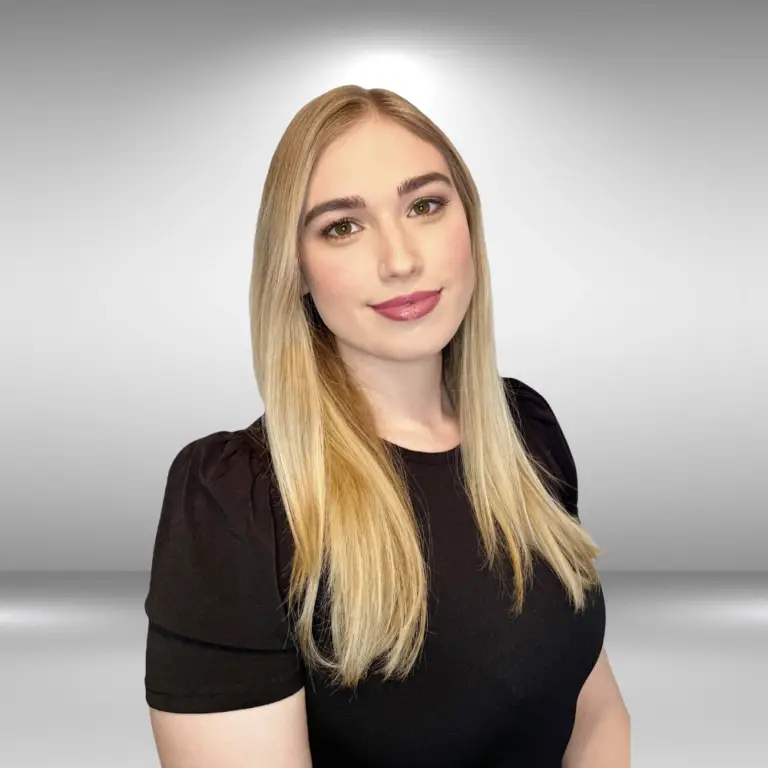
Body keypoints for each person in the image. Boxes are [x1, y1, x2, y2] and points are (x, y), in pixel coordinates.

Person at [144, 85, 629, 767]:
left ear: (469, 222)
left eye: (425, 205)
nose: (400, 259)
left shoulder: (526, 433)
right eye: (342, 225)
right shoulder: (236, 504)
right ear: (297, 272)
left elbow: (595, 708)